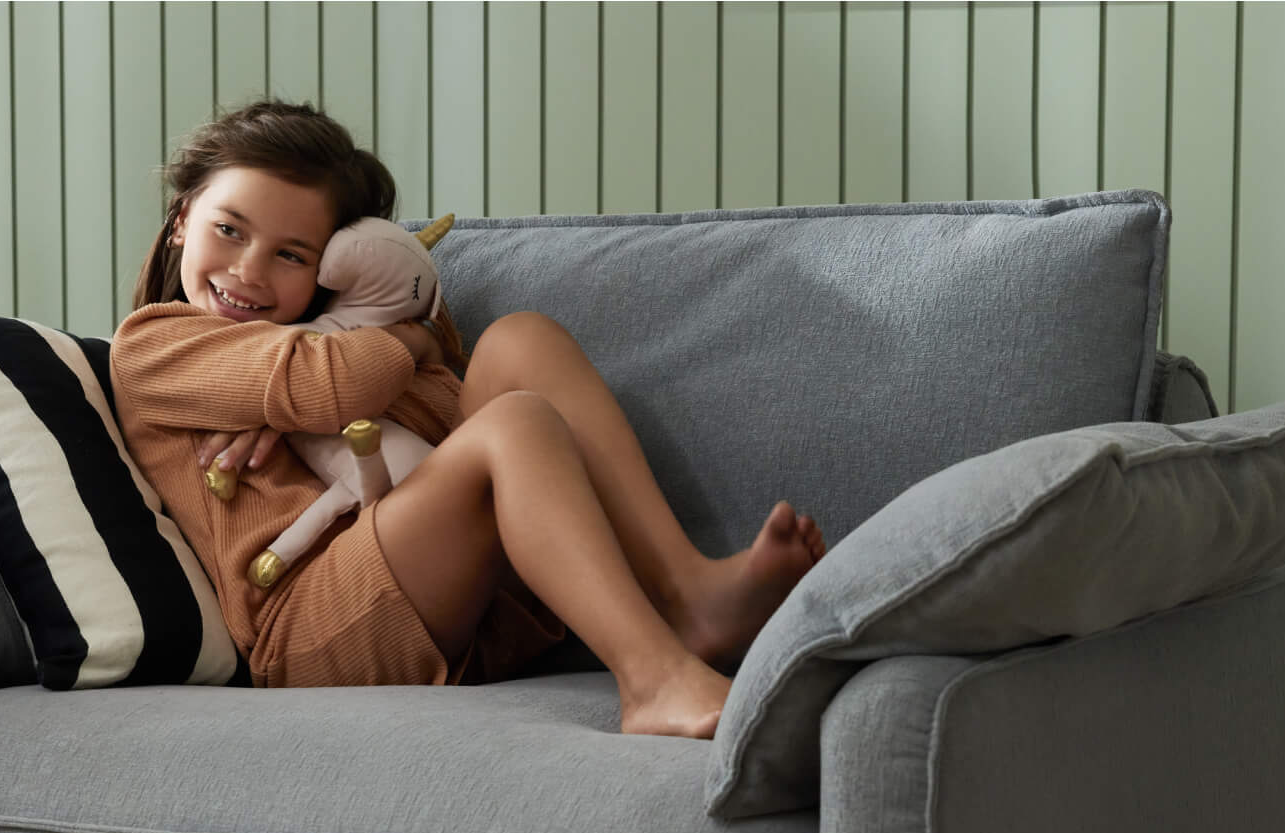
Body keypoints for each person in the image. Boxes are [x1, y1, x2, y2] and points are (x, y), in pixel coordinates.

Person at [109, 99, 826, 740]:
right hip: (308, 632)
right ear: (180, 223)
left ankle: (688, 593)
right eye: (228, 230)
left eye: (291, 254)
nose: (248, 271)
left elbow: (432, 402)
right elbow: (327, 385)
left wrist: (376, 356)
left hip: (452, 598)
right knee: (512, 424)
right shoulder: (154, 343)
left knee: (520, 341)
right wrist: (348, 370)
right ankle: (652, 677)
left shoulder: (339, 334)